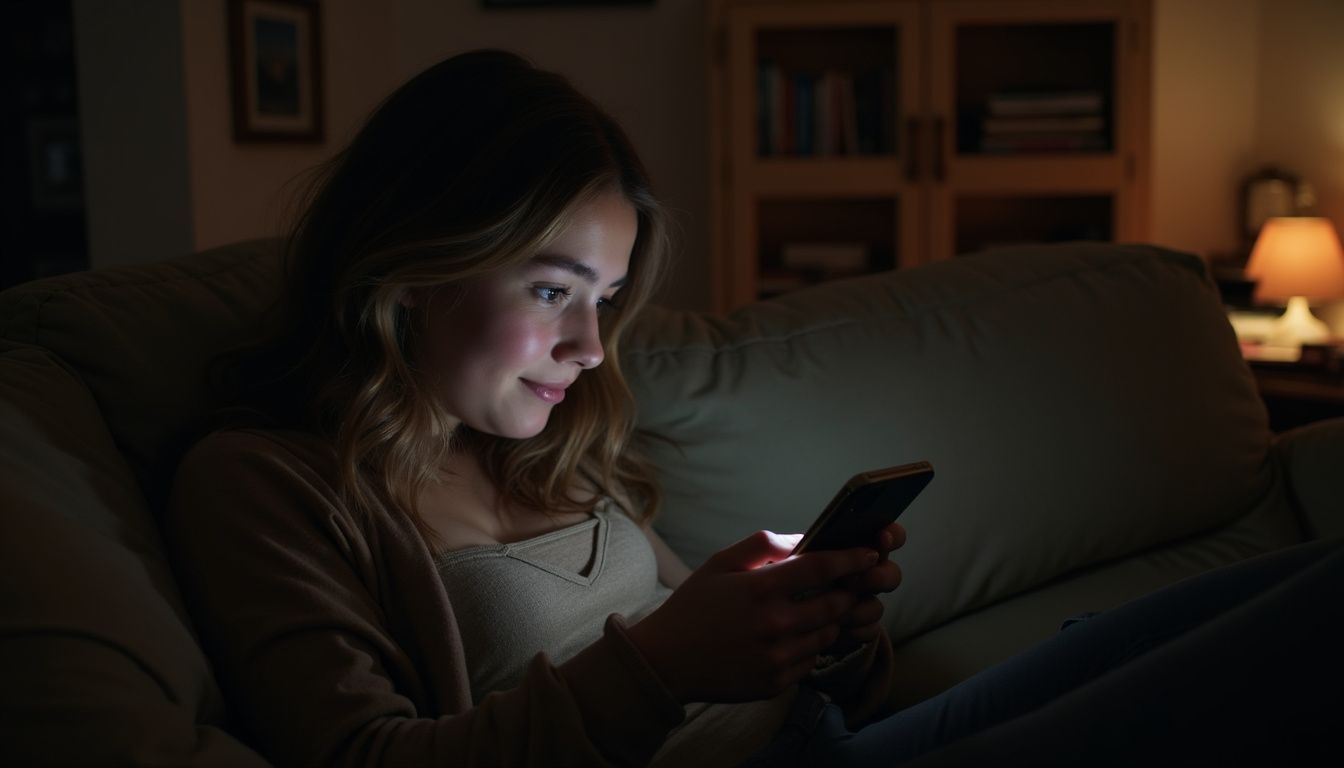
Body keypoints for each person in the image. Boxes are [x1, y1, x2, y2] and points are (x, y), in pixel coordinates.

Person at [167, 49, 1343, 768]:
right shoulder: (264, 484)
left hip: (828, 739)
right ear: (412, 262)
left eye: (610, 300)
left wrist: (826, 631)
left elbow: (741, 659)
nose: (589, 347)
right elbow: (365, 759)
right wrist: (667, 667)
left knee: (1295, 595)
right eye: (551, 289)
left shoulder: (538, 447)